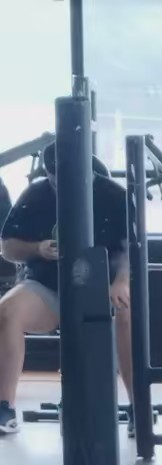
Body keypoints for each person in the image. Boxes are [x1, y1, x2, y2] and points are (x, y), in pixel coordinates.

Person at [0, 142, 134, 435]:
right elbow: (8, 247)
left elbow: (130, 250)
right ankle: (4, 407)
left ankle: (138, 407)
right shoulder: (36, 194)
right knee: (7, 312)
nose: (59, 184)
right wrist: (37, 248)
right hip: (49, 288)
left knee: (126, 312)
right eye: (54, 178)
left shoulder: (114, 196)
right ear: (48, 173)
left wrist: (121, 281)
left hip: (103, 288)